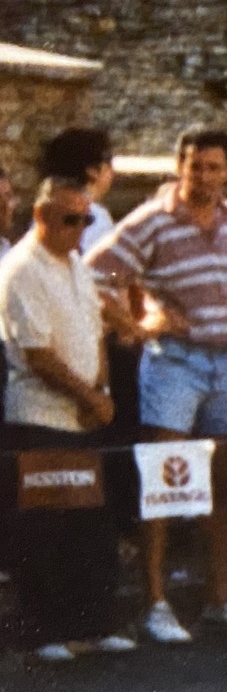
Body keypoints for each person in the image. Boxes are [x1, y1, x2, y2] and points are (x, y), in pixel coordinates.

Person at [88, 125, 227, 643]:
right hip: (173, 363)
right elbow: (96, 273)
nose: (204, 177)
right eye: (195, 166)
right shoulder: (154, 219)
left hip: (223, 364)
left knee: (222, 481)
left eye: (214, 167)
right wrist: (137, 323)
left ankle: (219, 595)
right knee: (166, 478)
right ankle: (154, 601)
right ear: (180, 166)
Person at [0, 177, 131, 661]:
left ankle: (94, 622)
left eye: (86, 219)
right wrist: (85, 394)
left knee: (90, 525)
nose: (80, 230)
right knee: (43, 529)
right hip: (40, 416)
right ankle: (45, 630)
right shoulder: (20, 271)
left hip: (81, 415)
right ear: (41, 217)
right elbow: (36, 353)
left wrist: (99, 389)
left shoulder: (76, 263)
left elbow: (94, 332)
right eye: (70, 219)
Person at [37, 126, 118, 254]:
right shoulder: (97, 217)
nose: (113, 171)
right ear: (92, 171)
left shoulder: (46, 214)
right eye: (109, 162)